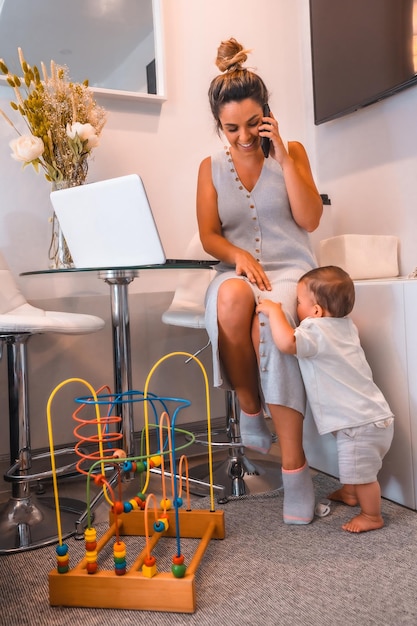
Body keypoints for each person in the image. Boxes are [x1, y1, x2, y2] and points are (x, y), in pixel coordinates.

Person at [197, 38, 323, 525]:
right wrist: (237, 256)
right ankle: (250, 410)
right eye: (232, 128)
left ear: (266, 115)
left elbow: (309, 219)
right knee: (230, 297)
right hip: (238, 271)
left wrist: (285, 158)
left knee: (270, 327)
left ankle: (295, 470)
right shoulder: (209, 168)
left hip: (292, 272)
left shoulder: (290, 152)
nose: (244, 136)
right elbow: (209, 235)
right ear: (219, 125)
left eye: (253, 123)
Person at [256, 265, 394, 533]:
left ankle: (371, 515)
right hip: (369, 417)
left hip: (359, 424)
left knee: (364, 476)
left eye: (298, 302)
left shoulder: (316, 330)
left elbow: (286, 343)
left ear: (316, 311)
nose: (295, 307)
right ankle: (351, 493)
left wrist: (273, 311)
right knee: (354, 467)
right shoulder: (345, 327)